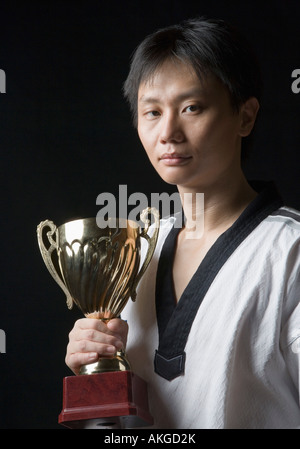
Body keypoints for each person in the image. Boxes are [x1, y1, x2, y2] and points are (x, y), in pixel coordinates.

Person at [65, 17, 300, 428]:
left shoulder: (289, 249)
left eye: (191, 107)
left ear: (245, 117)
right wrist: (94, 359)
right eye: (151, 111)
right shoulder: (134, 250)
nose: (168, 132)